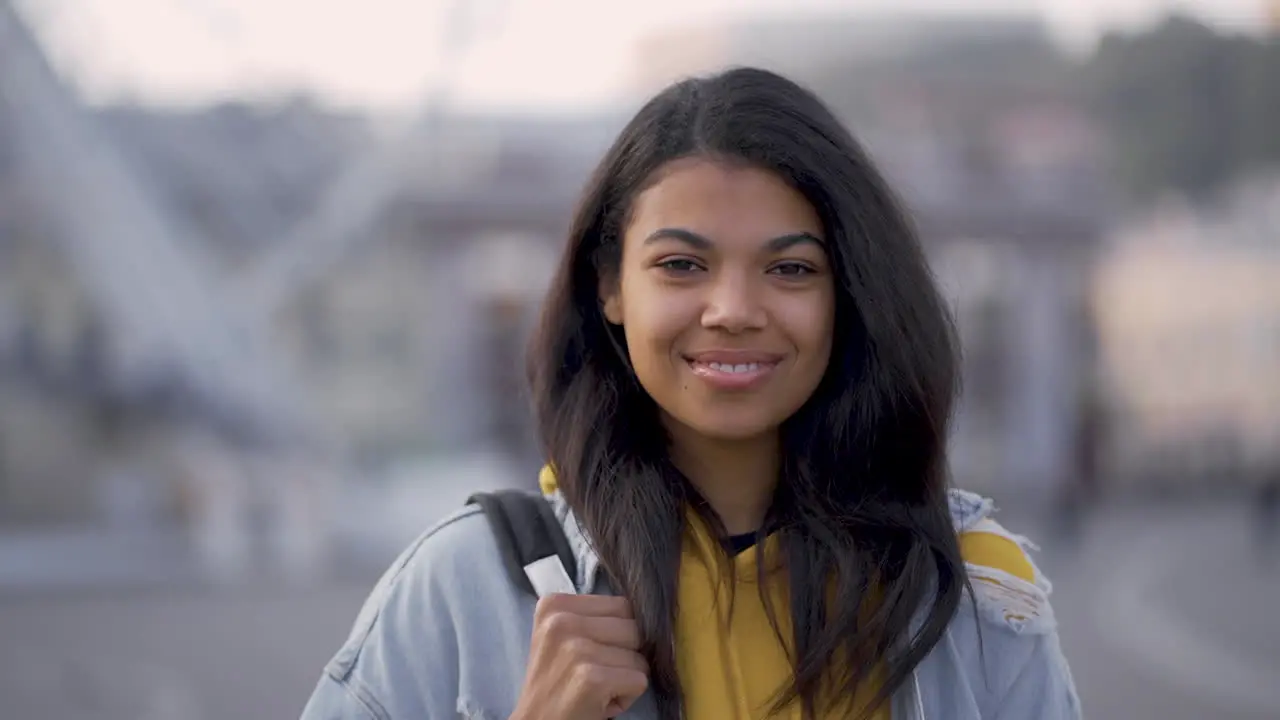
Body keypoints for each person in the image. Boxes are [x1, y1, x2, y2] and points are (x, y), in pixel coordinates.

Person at [300, 67, 1080, 720]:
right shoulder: (461, 589)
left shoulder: (974, 600)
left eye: (791, 269)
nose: (734, 310)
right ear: (609, 285)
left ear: (851, 294)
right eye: (681, 265)